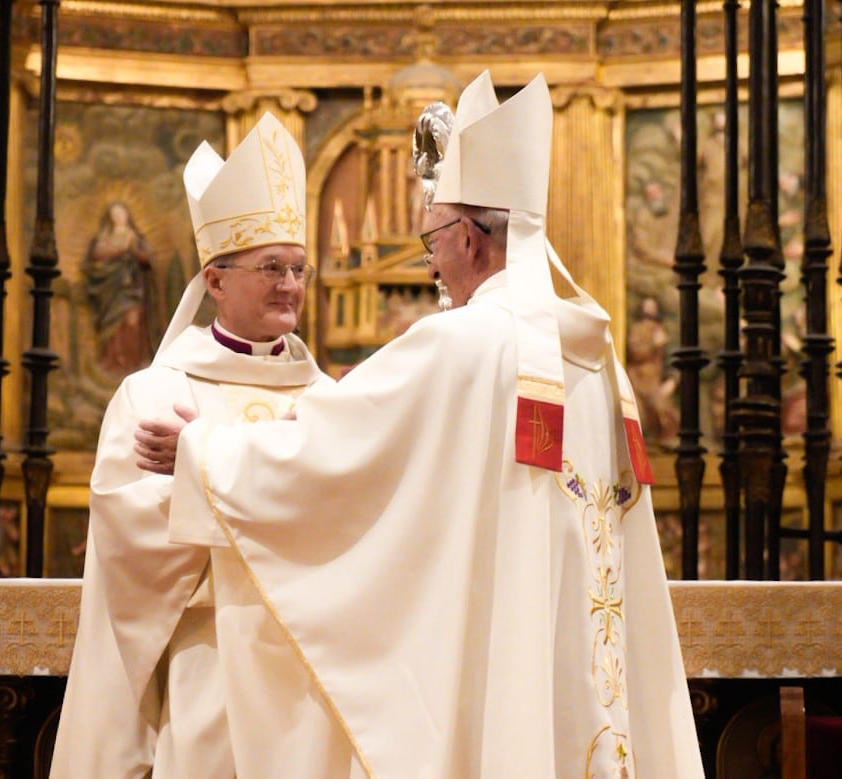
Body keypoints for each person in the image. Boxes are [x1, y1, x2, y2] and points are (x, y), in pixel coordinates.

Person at [139, 72, 704, 777]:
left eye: (433, 236)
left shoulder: (462, 342)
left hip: (507, 648)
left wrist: (200, 452)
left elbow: (330, 454)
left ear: (468, 236)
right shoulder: (595, 353)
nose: (431, 258)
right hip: (582, 654)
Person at [50, 112, 338, 778]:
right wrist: (277, 485)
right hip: (210, 662)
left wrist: (204, 466)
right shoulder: (153, 394)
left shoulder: (327, 399)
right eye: (271, 267)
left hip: (310, 668)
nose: (290, 285)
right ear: (214, 281)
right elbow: (131, 540)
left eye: (298, 268)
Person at [82, 200, 158, 376]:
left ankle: (133, 364)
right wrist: (119, 250)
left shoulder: (134, 236)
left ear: (127, 216)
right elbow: (95, 256)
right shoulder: (104, 236)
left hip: (131, 289)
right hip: (109, 292)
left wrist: (133, 252)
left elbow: (147, 260)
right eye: (114, 214)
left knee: (132, 322)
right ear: (110, 218)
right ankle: (113, 364)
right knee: (113, 328)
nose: (118, 217)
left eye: (121, 213)